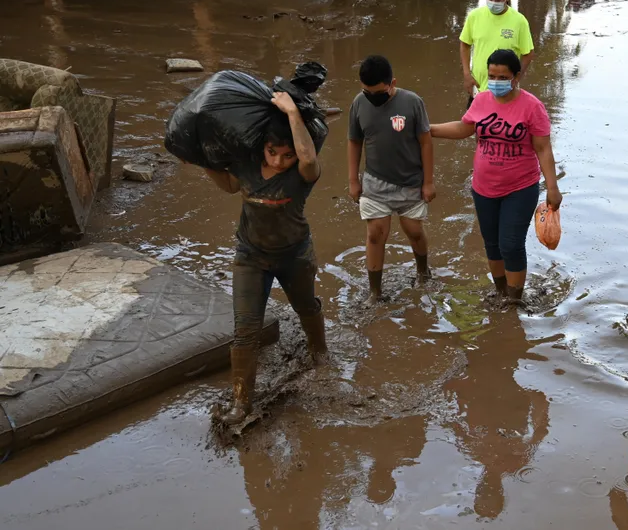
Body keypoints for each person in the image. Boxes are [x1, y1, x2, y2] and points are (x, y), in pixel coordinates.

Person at [205, 91, 327, 426]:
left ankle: (320, 352)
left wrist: (292, 113)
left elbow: (307, 157)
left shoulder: (303, 174)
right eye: (272, 152)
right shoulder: (246, 164)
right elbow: (229, 184)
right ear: (262, 146)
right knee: (245, 330)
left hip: (294, 255)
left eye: (286, 155)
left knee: (306, 307)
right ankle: (242, 402)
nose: (277, 162)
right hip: (250, 257)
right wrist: (203, 162)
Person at [430, 49, 562, 304]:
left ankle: (514, 300)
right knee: (492, 244)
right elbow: (464, 128)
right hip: (483, 188)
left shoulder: (532, 107)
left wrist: (553, 188)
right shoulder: (481, 101)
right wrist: (428, 130)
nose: (496, 81)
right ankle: (500, 292)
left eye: (503, 77)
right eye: (492, 76)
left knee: (511, 244)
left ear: (516, 77)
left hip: (520, 188)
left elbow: (543, 148)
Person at [348, 55, 435, 306]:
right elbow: (355, 142)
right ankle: (375, 292)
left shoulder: (413, 102)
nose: (371, 97)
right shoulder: (358, 103)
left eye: (377, 92)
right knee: (375, 233)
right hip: (375, 182)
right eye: (366, 91)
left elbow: (426, 142)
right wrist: (353, 180)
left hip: (411, 181)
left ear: (392, 83)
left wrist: (428, 182)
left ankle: (423, 272)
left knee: (414, 230)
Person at [459, 0, 535, 108]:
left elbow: (528, 53)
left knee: (503, 127)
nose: (493, 2)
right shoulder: (474, 16)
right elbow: (465, 44)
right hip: (478, 89)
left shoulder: (519, 21)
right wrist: (467, 74)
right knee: (472, 127)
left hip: (506, 92)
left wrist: (517, 78)